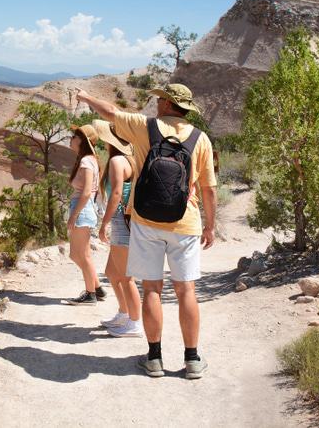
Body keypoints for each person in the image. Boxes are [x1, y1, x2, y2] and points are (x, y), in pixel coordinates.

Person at [75, 84, 217, 379]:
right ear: (186, 108)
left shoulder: (145, 127)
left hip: (146, 220)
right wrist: (211, 225)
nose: (156, 103)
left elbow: (111, 113)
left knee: (152, 288)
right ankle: (192, 360)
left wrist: (87, 97)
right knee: (185, 290)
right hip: (185, 222)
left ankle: (154, 358)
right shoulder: (200, 138)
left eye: (159, 99)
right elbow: (208, 189)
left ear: (166, 103)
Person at [91, 119, 143, 338]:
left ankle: (134, 323)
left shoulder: (116, 162)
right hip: (127, 220)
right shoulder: (131, 159)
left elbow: (116, 194)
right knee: (112, 273)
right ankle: (124, 313)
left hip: (121, 221)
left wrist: (104, 224)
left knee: (126, 277)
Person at [62, 124, 106, 305]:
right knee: (81, 254)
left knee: (79, 255)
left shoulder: (86, 161)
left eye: (75, 136)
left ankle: (90, 294)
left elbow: (87, 191)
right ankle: (96, 288)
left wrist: (73, 216)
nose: (71, 138)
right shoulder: (90, 159)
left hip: (82, 209)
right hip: (84, 208)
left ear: (83, 141)